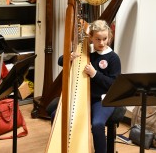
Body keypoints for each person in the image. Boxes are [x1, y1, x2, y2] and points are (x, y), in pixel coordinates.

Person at [47, 20, 121, 153]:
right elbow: (60, 61)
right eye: (98, 39)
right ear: (91, 37)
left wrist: (95, 74)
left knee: (97, 125)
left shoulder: (113, 58)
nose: (102, 43)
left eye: (105, 39)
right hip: (81, 98)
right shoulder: (85, 51)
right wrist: (68, 57)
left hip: (103, 99)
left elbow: (114, 84)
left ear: (109, 37)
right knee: (55, 115)